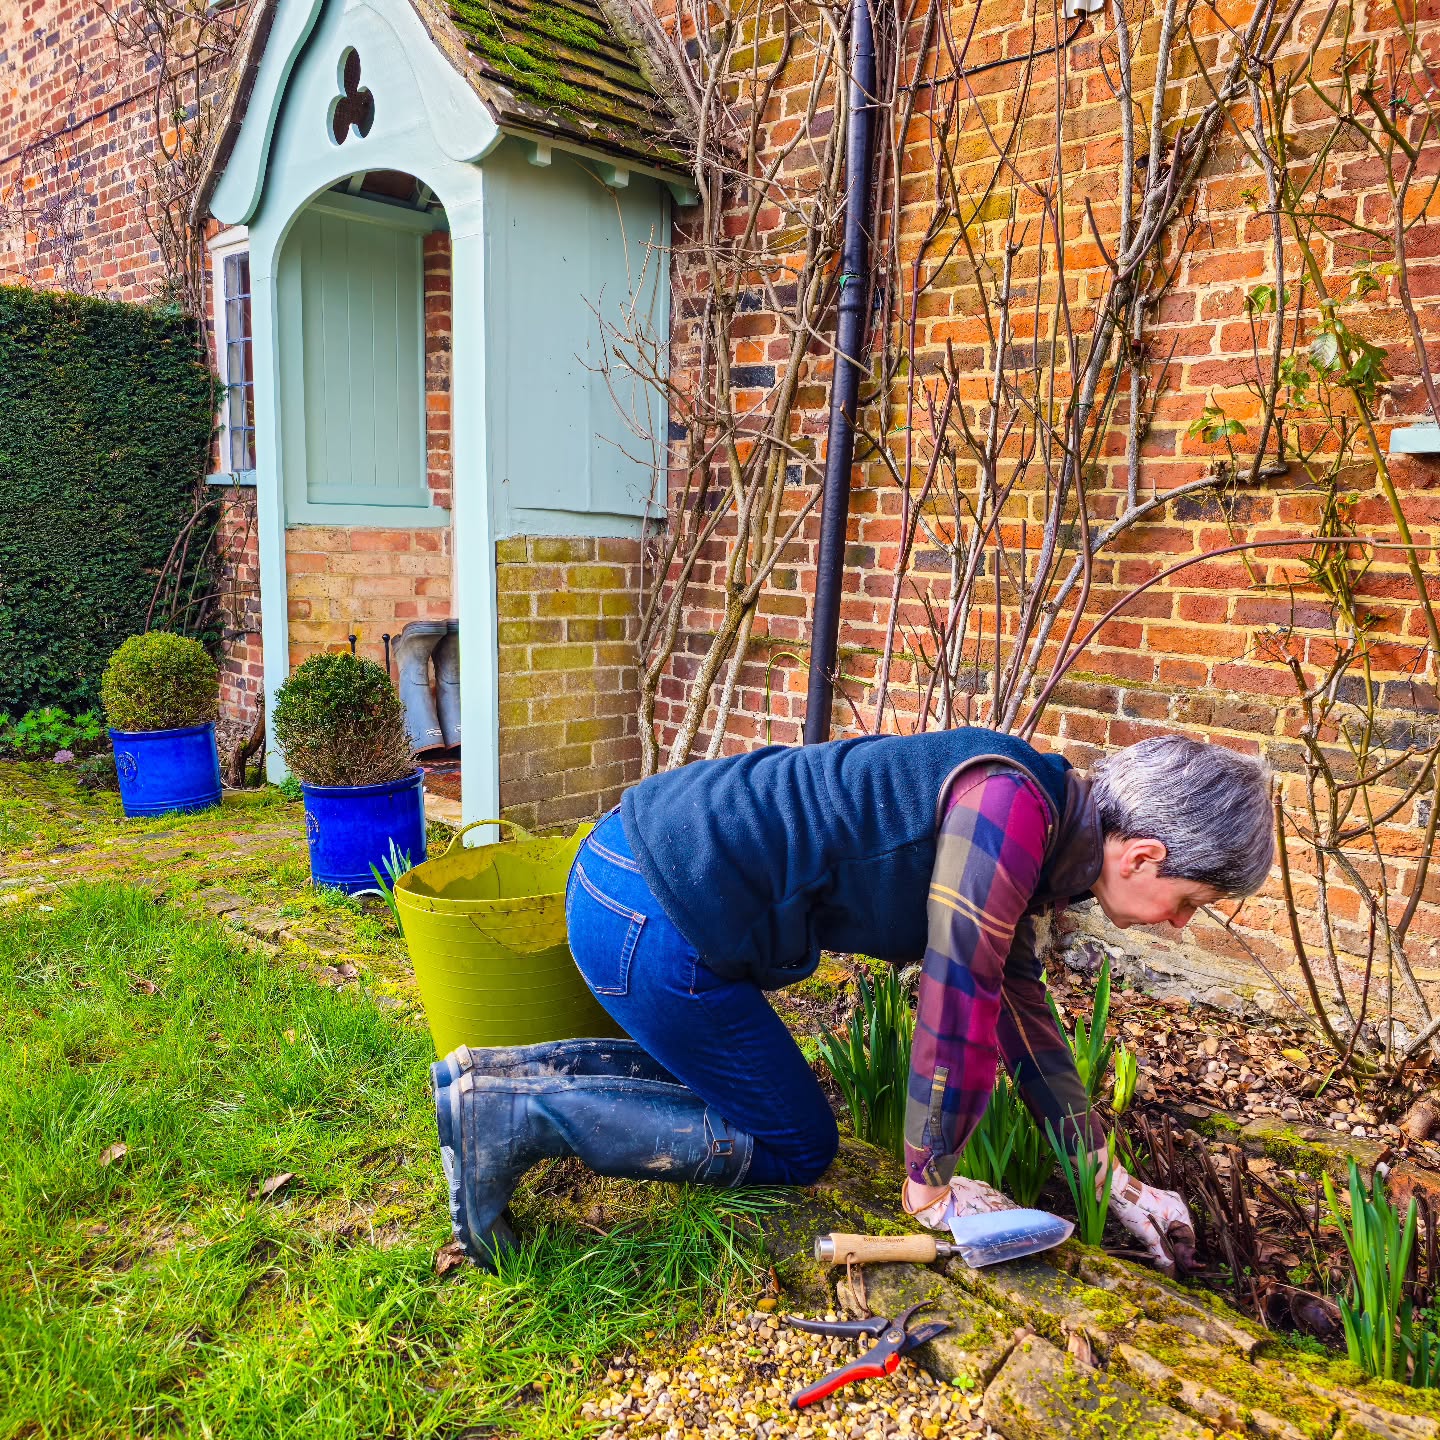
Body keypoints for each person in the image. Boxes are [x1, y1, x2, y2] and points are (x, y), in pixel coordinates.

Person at [433, 728, 1274, 1272]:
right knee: (798, 1143)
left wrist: (1103, 1169)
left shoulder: (1037, 813)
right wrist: (932, 1184)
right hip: (652, 919)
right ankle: (517, 1118)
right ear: (1145, 856)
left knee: (750, 1095)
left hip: (633, 883)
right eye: (1190, 902)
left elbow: (1018, 1002)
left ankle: (498, 1087)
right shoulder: (1012, 811)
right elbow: (961, 986)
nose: (1176, 925)